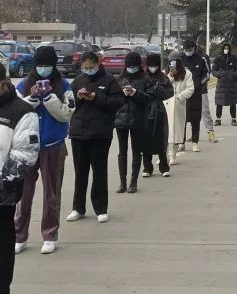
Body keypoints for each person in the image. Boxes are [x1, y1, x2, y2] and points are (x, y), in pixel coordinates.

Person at [14, 46, 75, 255]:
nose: (43, 69)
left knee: (51, 193)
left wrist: (49, 98)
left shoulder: (64, 86)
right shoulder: (23, 85)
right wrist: (32, 99)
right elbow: (16, 111)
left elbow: (66, 114)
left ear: (53, 66)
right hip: (26, 147)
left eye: (47, 66)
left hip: (53, 145)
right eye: (40, 65)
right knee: (22, 194)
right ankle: (19, 235)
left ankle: (49, 235)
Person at [0, 62, 39, 294]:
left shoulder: (22, 112)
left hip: (3, 192)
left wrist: (4, 180)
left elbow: (26, 153)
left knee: (2, 245)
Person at [68, 50, 124, 224]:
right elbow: (68, 103)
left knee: (99, 171)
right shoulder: (78, 80)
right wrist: (78, 97)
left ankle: (101, 208)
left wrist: (96, 97)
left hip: (100, 133)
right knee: (80, 172)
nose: (88, 70)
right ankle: (78, 208)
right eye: (84, 68)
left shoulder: (109, 80)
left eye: (91, 67)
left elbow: (118, 102)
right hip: (79, 131)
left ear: (98, 64)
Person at [114, 52, 151, 194]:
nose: (131, 69)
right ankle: (122, 183)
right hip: (121, 119)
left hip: (138, 118)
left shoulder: (145, 79)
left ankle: (133, 182)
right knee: (122, 151)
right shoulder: (119, 80)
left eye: (134, 66)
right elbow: (113, 100)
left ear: (139, 66)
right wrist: (122, 95)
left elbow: (148, 99)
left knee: (136, 151)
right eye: (129, 66)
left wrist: (135, 93)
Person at [142, 53, 174, 178]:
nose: (153, 68)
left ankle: (164, 166)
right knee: (146, 138)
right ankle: (147, 167)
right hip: (145, 110)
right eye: (151, 65)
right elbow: (139, 92)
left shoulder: (163, 78)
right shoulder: (143, 77)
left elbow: (170, 92)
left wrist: (158, 89)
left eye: (155, 65)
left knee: (161, 137)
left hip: (159, 110)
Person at [181, 40, 211, 151]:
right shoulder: (181, 59)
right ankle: (181, 142)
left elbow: (207, 74)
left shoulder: (201, 59)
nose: (188, 52)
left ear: (194, 48)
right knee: (182, 119)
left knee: (195, 119)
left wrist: (198, 84)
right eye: (186, 50)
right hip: (183, 93)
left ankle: (195, 142)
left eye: (190, 50)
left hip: (196, 93)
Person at [166, 54, 194, 165]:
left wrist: (180, 97)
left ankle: (173, 155)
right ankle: (164, 156)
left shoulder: (187, 74)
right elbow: (162, 86)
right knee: (166, 132)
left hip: (178, 105)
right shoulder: (165, 73)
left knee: (176, 132)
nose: (172, 64)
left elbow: (190, 89)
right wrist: (170, 76)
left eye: (175, 61)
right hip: (166, 105)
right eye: (171, 62)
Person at [212, 43, 237, 126]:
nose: (226, 50)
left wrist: (233, 75)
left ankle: (233, 119)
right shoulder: (218, 59)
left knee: (233, 102)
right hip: (221, 84)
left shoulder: (234, 58)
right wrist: (219, 74)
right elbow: (213, 70)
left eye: (227, 48)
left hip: (231, 84)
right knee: (219, 102)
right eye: (225, 48)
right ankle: (218, 119)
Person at [196, 44, 218, 144]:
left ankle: (210, 132)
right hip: (189, 91)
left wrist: (199, 84)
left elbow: (208, 74)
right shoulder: (185, 58)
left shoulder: (203, 58)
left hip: (201, 89)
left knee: (205, 111)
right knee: (191, 114)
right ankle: (194, 134)